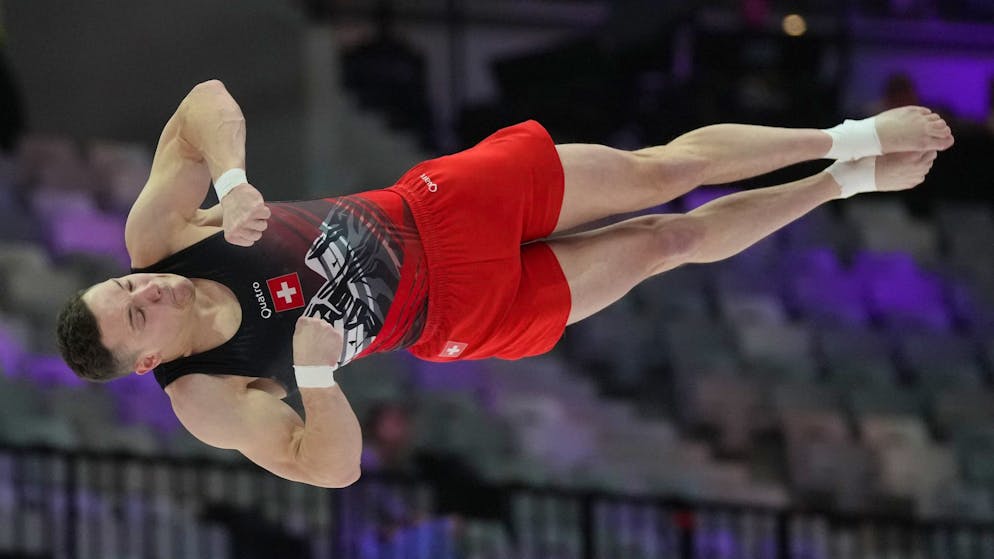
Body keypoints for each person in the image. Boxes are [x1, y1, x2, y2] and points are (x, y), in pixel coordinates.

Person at [56, 80, 953, 488]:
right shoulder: (205, 398)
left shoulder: (163, 237)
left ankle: (848, 139)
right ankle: (844, 186)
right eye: (139, 311)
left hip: (434, 210)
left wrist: (234, 181)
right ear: (145, 361)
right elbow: (326, 468)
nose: (151, 290)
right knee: (661, 243)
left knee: (652, 173)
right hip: (452, 314)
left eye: (130, 283)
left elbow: (201, 105)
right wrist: (320, 377)